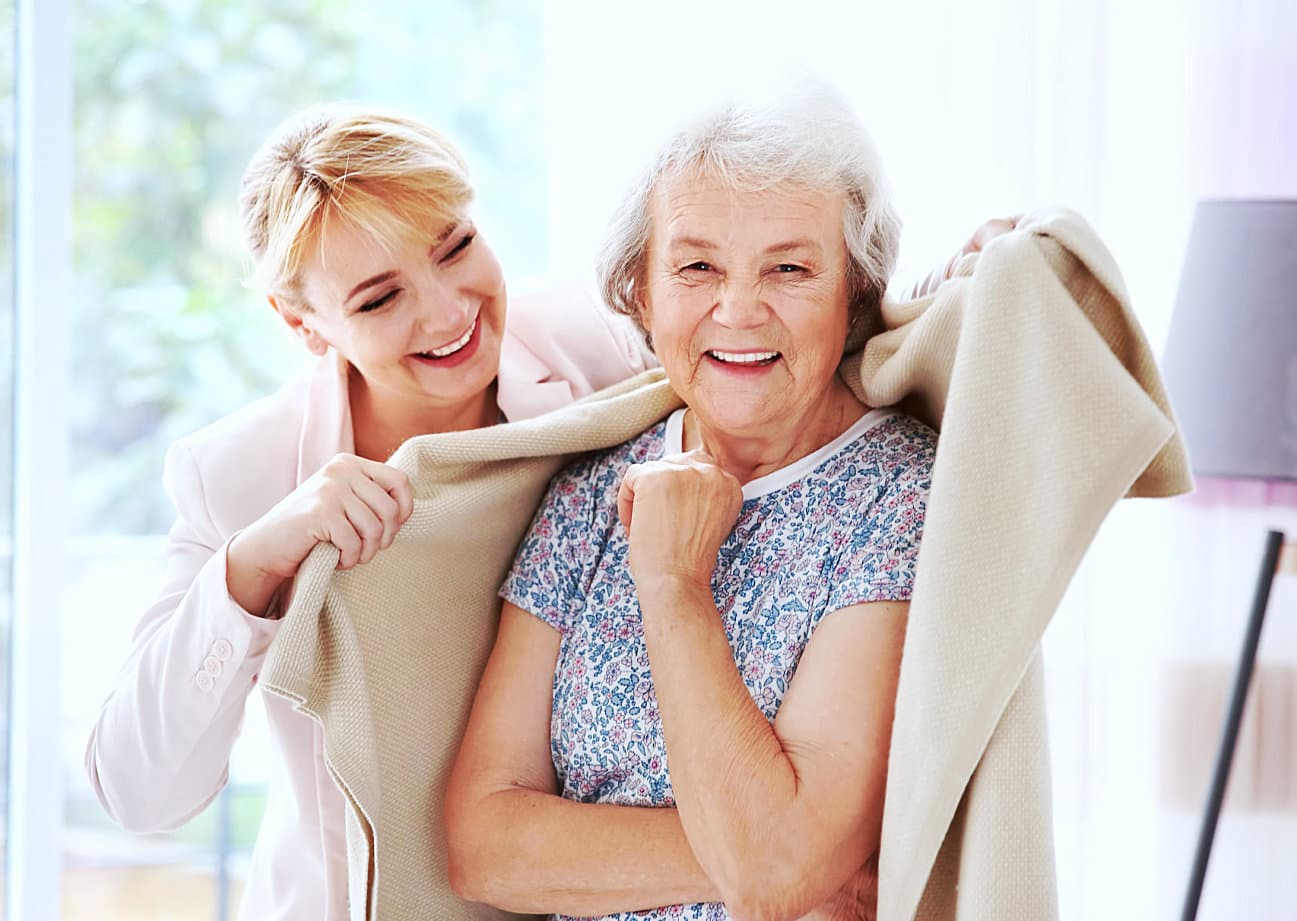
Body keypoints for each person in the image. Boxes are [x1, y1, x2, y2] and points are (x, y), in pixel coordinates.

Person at [85, 103, 995, 921]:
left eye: (452, 246)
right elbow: (140, 793)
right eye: (380, 296)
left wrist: (958, 302)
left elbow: (752, 325)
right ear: (303, 324)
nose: (447, 311)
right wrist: (251, 567)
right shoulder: (236, 475)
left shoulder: (583, 349)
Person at [444, 83, 935, 921]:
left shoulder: (898, 493)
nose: (738, 309)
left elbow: (775, 873)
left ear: (852, 292)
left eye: (789, 267)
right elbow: (481, 845)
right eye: (697, 265)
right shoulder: (591, 488)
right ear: (640, 287)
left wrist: (674, 584)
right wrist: (780, 858)